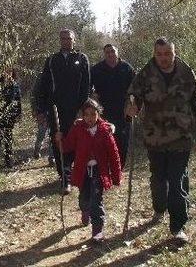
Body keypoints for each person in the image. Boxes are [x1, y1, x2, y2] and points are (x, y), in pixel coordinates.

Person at [125, 37, 196, 243]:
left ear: (174, 52)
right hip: (154, 137)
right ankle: (159, 208)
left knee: (176, 180)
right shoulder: (146, 73)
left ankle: (178, 226)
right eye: (159, 54)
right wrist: (132, 105)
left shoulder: (186, 73)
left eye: (168, 54)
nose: (164, 58)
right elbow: (133, 94)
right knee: (158, 179)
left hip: (181, 137)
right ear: (155, 54)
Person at [55, 98, 122, 242]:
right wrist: (59, 140)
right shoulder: (78, 129)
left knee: (96, 201)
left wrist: (116, 176)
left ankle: (97, 231)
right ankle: (85, 211)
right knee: (84, 198)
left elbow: (114, 153)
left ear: (98, 114)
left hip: (99, 170)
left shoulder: (105, 130)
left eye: (93, 114)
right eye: (87, 114)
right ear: (82, 115)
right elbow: (66, 147)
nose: (90, 118)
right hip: (83, 170)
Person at [37, 29, 90, 193]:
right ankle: (64, 179)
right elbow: (44, 85)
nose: (66, 41)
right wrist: (41, 109)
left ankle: (73, 171)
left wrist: (83, 109)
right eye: (63, 38)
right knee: (59, 141)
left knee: (76, 141)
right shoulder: (52, 60)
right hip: (56, 109)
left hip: (76, 109)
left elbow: (86, 85)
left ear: (74, 40)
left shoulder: (81, 58)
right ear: (59, 40)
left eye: (69, 38)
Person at [90, 44, 136, 167]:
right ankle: (107, 167)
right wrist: (93, 96)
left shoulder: (126, 68)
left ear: (117, 52)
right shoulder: (96, 69)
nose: (110, 54)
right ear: (104, 54)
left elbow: (135, 88)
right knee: (106, 139)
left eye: (113, 51)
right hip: (103, 111)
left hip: (123, 111)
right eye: (107, 52)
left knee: (123, 140)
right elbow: (88, 87)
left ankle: (119, 168)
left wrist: (131, 105)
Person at [0, 67, 22, 168]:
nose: (7, 73)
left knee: (8, 135)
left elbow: (18, 99)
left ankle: (8, 159)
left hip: (10, 114)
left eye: (10, 71)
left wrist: (19, 113)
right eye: (5, 71)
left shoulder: (14, 85)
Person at [31, 78, 55, 165]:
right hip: (42, 111)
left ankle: (52, 157)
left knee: (53, 134)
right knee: (42, 132)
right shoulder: (41, 77)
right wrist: (35, 110)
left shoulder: (59, 75)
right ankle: (37, 150)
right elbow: (33, 95)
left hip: (54, 111)